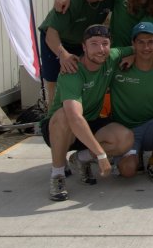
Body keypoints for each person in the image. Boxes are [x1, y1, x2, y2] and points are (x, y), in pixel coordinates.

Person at [40, 24, 134, 201]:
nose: (100, 49)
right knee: (64, 116)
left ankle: (81, 158)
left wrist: (136, 55)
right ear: (84, 47)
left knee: (125, 137)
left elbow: (146, 47)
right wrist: (101, 155)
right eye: (94, 44)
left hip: (90, 121)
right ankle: (57, 174)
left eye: (105, 43)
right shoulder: (72, 71)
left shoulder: (111, 56)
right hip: (61, 129)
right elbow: (75, 118)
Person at [39, 0, 116, 106]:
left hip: (80, 42)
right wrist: (63, 55)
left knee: (83, 79)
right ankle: (51, 119)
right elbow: (51, 34)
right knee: (54, 84)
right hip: (56, 40)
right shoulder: (72, 2)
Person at [110, 22, 153, 184]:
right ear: (133, 44)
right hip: (125, 132)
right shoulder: (119, 67)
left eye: (151, 42)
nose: (146, 47)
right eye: (141, 42)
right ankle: (133, 155)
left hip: (150, 129)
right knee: (128, 170)